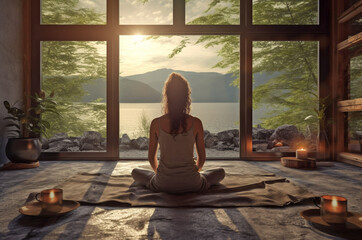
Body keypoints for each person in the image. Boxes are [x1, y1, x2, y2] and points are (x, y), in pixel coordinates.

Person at [131, 72, 225, 194]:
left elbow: (151, 157)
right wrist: (192, 174)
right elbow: (201, 158)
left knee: (135, 172)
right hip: (193, 184)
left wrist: (161, 175)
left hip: (162, 184)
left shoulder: (156, 123)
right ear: (186, 97)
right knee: (220, 172)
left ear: (167, 96)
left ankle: (165, 179)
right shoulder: (196, 123)